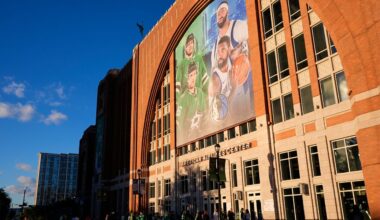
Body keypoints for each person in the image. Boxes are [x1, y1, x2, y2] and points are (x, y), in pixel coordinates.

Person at [210, 1, 249, 71]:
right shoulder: (215, 48)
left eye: (222, 11)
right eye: (218, 14)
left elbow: (253, 39)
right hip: (231, 80)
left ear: (227, 13)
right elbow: (214, 71)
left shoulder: (238, 26)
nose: (219, 15)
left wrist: (240, 50)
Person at [176, 62, 208, 142]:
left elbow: (205, 113)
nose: (193, 78)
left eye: (194, 74)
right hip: (188, 140)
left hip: (201, 137)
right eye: (191, 75)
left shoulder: (200, 93)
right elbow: (180, 123)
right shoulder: (183, 99)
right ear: (187, 78)